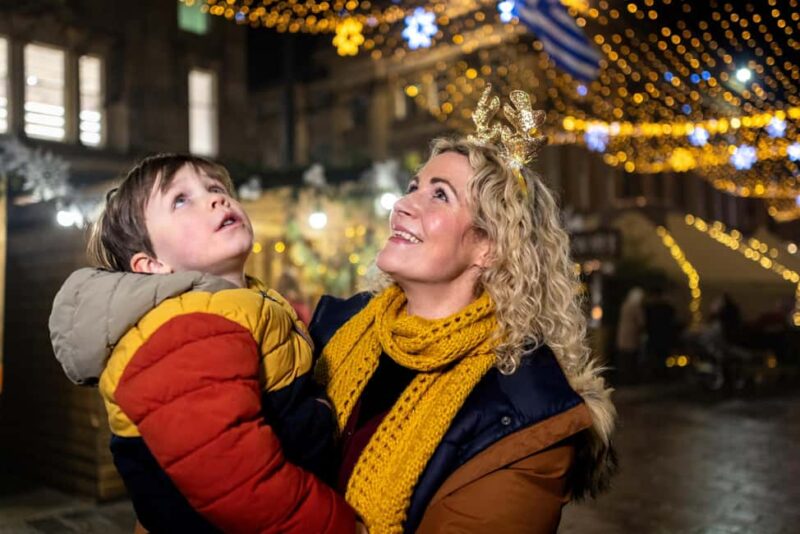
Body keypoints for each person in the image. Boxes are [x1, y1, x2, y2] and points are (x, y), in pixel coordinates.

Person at [310, 87, 617, 533]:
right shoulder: (336, 329)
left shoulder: (523, 413)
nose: (402, 204)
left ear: (489, 247)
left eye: (440, 195)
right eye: (413, 187)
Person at [49, 154, 358, 533]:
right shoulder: (185, 325)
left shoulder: (238, 306)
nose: (217, 199)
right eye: (181, 200)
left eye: (215, 188)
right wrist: (336, 527)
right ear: (151, 264)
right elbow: (234, 477)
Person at [615, 286, 646, 384]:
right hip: (632, 334)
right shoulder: (636, 307)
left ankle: (623, 379)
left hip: (622, 334)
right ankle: (630, 380)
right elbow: (641, 322)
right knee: (631, 358)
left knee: (624, 358)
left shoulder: (625, 305)